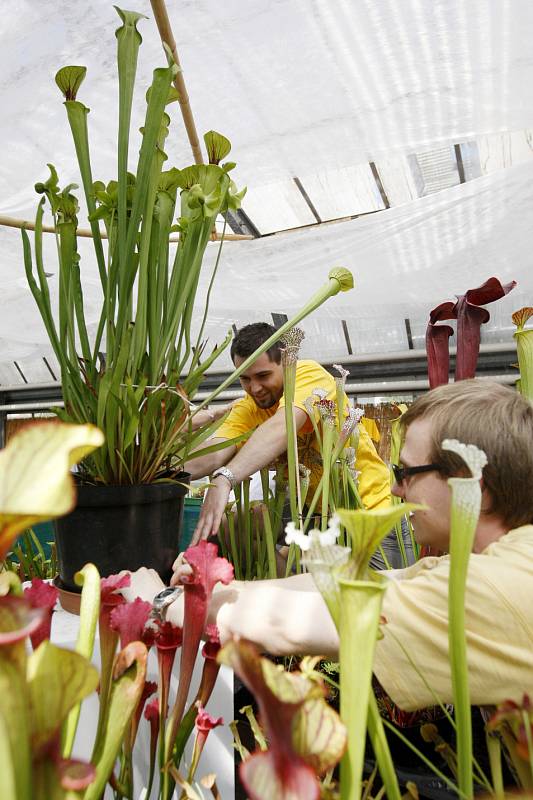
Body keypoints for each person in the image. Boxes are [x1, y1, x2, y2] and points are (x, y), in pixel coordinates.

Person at [128, 379, 533, 711]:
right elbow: (357, 583)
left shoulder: (497, 586)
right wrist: (209, 589)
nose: (394, 486)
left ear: (473, 486)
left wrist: (163, 602)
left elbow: (303, 621)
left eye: (407, 472)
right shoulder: (501, 562)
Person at [185, 322, 391, 545]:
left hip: (370, 510)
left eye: (263, 376)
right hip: (316, 515)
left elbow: (284, 425)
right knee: (230, 526)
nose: (255, 388)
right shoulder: (249, 407)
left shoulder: (309, 374)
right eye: (245, 378)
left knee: (381, 580)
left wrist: (226, 477)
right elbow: (216, 450)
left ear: (286, 362)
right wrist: (161, 472)